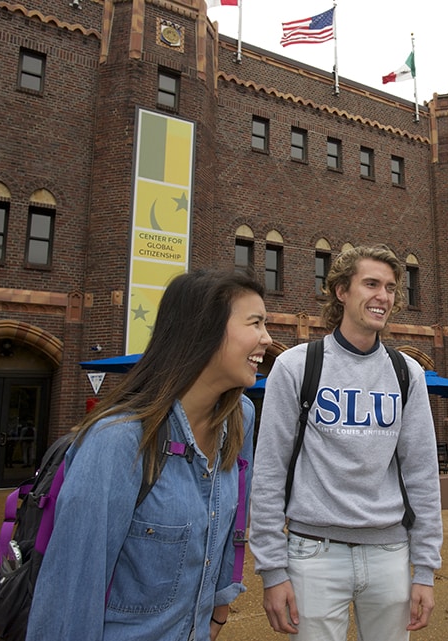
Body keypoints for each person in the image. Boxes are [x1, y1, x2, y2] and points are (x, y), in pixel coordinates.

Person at [26, 269, 271, 641]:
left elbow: (231, 536)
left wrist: (218, 611)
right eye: (255, 323)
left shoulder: (240, 420)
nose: (267, 339)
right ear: (204, 329)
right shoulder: (117, 440)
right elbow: (69, 594)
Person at [250, 245, 443, 641]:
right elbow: (269, 470)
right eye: (371, 284)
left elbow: (422, 473)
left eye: (390, 288)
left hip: (390, 554)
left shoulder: (408, 374)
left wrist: (424, 569)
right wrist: (272, 569)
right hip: (313, 553)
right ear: (341, 291)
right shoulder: (296, 366)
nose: (383, 297)